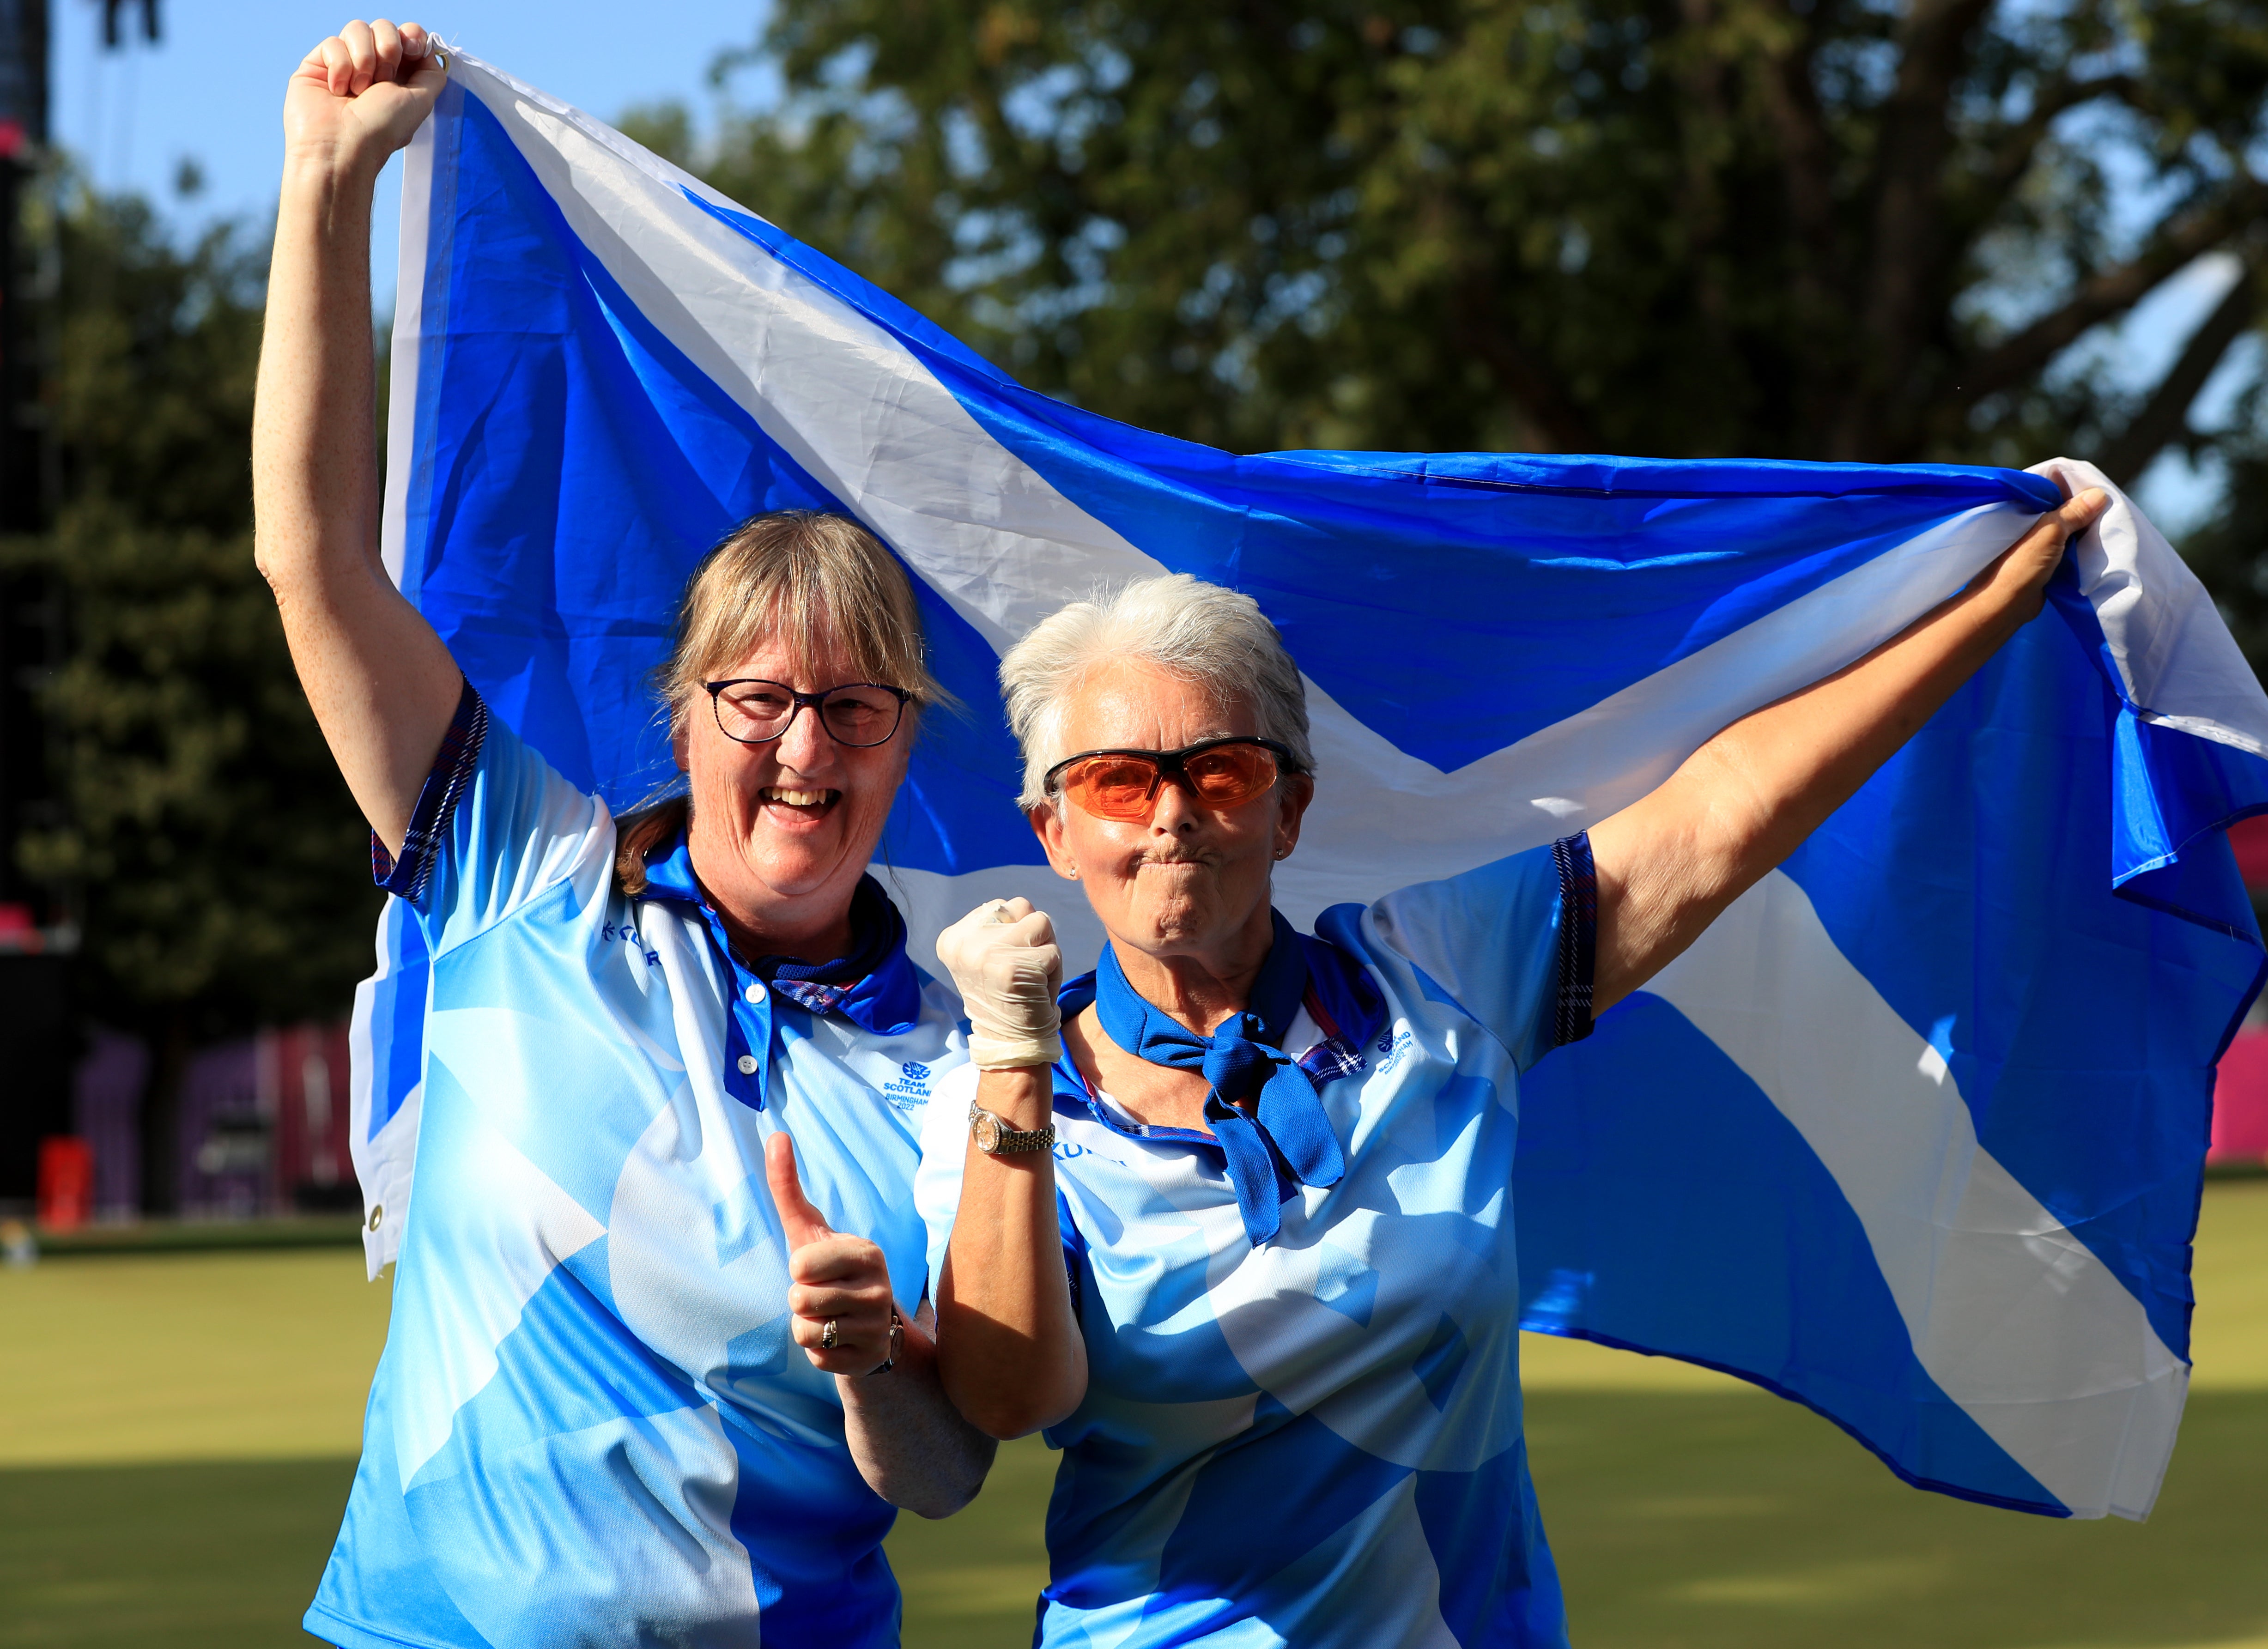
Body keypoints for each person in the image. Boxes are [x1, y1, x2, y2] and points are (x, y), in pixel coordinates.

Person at [914, 485, 2109, 1647]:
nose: (1170, 815)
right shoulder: (981, 1098)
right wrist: (1015, 1061)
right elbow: (1008, 1395)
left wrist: (1987, 596)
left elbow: (1726, 811)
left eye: (1220, 771)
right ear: (1054, 828)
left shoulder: (1437, 973)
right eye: (1120, 781)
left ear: (1290, 809)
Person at [257, 21, 993, 1648]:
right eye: (761, 699)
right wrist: (326, 187)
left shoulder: (966, 1057)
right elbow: (313, 559)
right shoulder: (529, 865)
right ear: (680, 717)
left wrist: (879, 1364)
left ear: (899, 749)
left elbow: (950, 1473)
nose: (806, 748)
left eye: (858, 708)